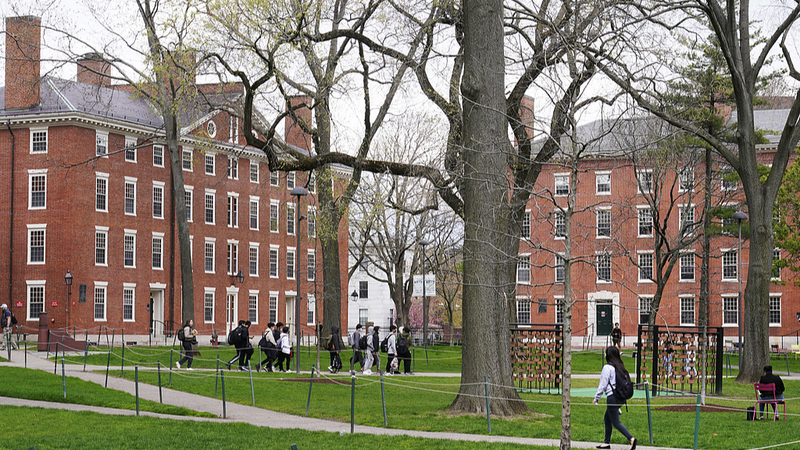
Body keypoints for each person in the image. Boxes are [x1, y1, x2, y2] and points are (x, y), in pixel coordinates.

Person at [593, 346, 637, 450]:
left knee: (616, 422)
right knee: (607, 418)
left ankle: (631, 439)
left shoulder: (607, 367)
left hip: (612, 397)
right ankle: (606, 442)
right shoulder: (620, 366)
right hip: (621, 397)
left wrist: (596, 398)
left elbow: (602, 385)